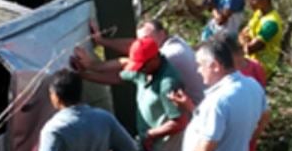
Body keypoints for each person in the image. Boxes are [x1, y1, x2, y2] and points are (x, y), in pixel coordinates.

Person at [73, 36, 189, 151]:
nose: (139, 70)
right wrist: (84, 75)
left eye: (142, 66)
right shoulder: (144, 70)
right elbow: (119, 76)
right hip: (149, 141)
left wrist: (152, 134)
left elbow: (179, 121)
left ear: (154, 59)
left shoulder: (168, 82)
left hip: (162, 147)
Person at [76, 19, 204, 105]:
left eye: (147, 38)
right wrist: (102, 41)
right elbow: (136, 48)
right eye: (141, 40)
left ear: (162, 33)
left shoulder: (171, 54)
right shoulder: (171, 42)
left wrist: (93, 66)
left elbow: (124, 72)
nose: (143, 43)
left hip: (193, 113)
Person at [239, 0, 283, 78]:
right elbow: (242, 34)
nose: (250, 2)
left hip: (261, 69)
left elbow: (250, 48)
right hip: (248, 63)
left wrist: (245, 42)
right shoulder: (258, 13)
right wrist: (245, 41)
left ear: (265, 0)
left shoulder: (271, 23)